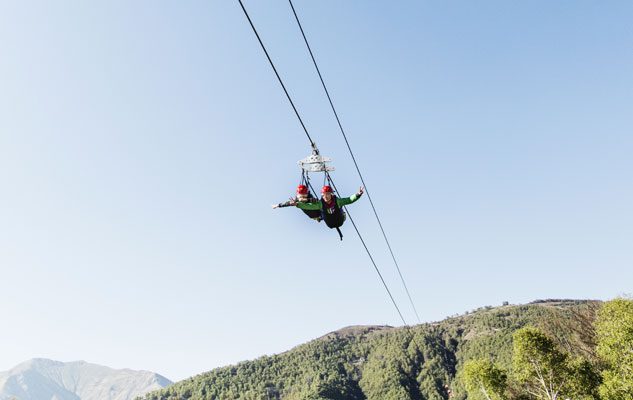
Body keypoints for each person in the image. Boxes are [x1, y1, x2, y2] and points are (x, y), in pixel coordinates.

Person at [294, 185, 364, 239]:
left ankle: (340, 214)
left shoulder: (338, 201)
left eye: (327, 194)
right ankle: (319, 217)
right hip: (329, 223)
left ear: (331, 194)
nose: (325, 196)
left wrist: (358, 195)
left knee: (339, 210)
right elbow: (309, 206)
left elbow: (349, 200)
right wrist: (297, 204)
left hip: (340, 220)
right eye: (323, 195)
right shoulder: (320, 204)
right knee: (320, 210)